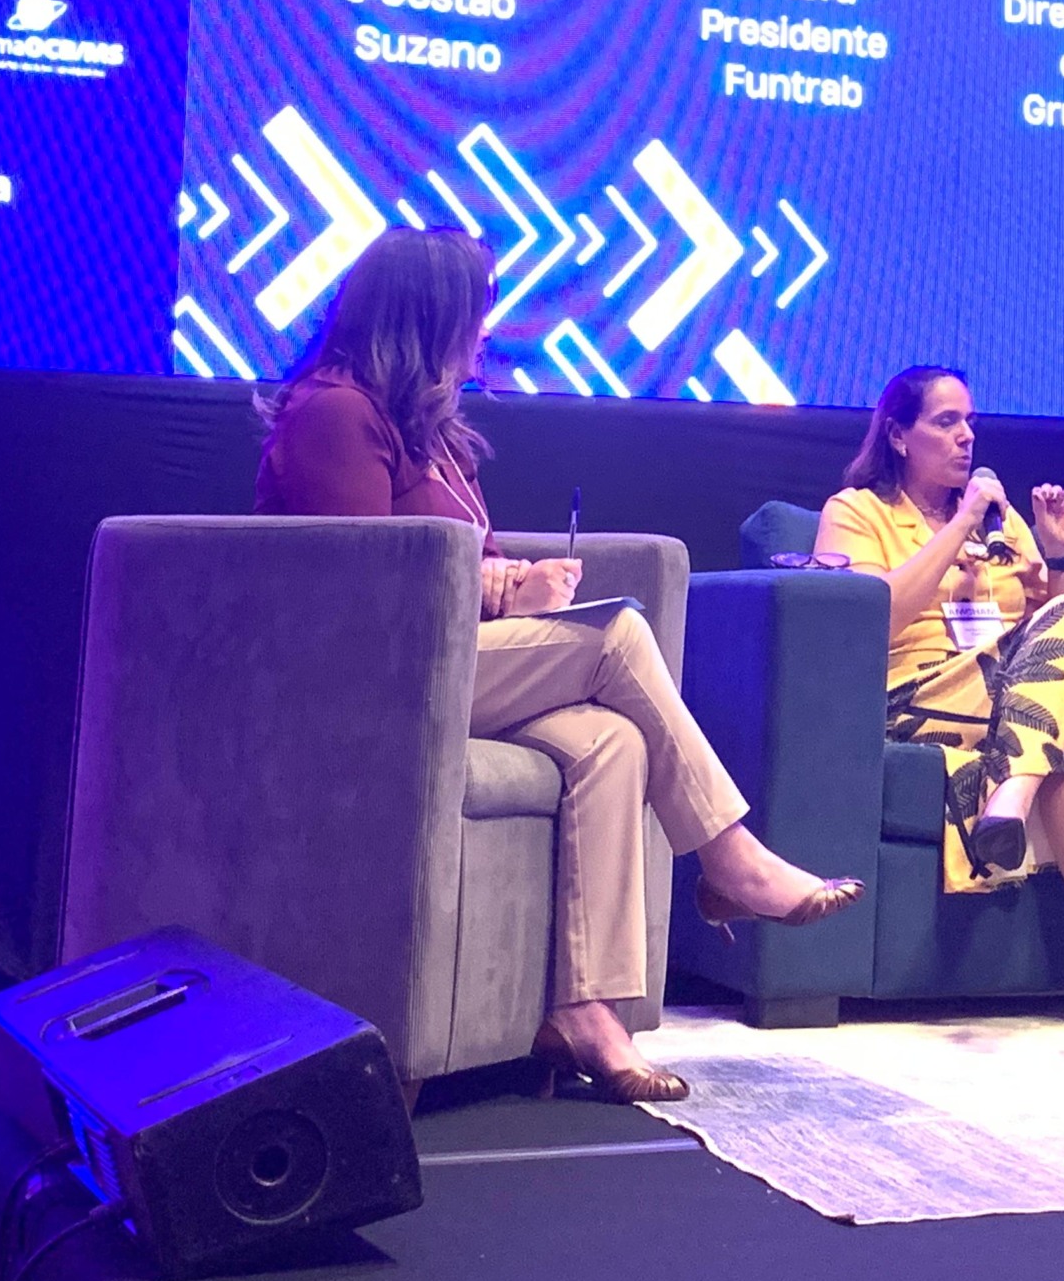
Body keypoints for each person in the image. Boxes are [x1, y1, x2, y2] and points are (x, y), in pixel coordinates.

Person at [256, 228, 861, 1103]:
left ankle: (587, 1012)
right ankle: (729, 859)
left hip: (450, 667)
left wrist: (518, 579)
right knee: (616, 634)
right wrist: (506, 594)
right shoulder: (334, 412)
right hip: (370, 678)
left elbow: (472, 559)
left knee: (612, 739)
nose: (484, 337)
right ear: (426, 317)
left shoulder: (436, 436)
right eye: (475, 316)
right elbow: (375, 589)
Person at [813, 367, 1064, 1036]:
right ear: (899, 436)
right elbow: (870, 618)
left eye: (970, 423)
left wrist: (1058, 555)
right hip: (915, 693)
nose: (966, 437)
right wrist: (960, 522)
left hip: (1006, 700)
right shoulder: (856, 511)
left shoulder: (1005, 523)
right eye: (946, 422)